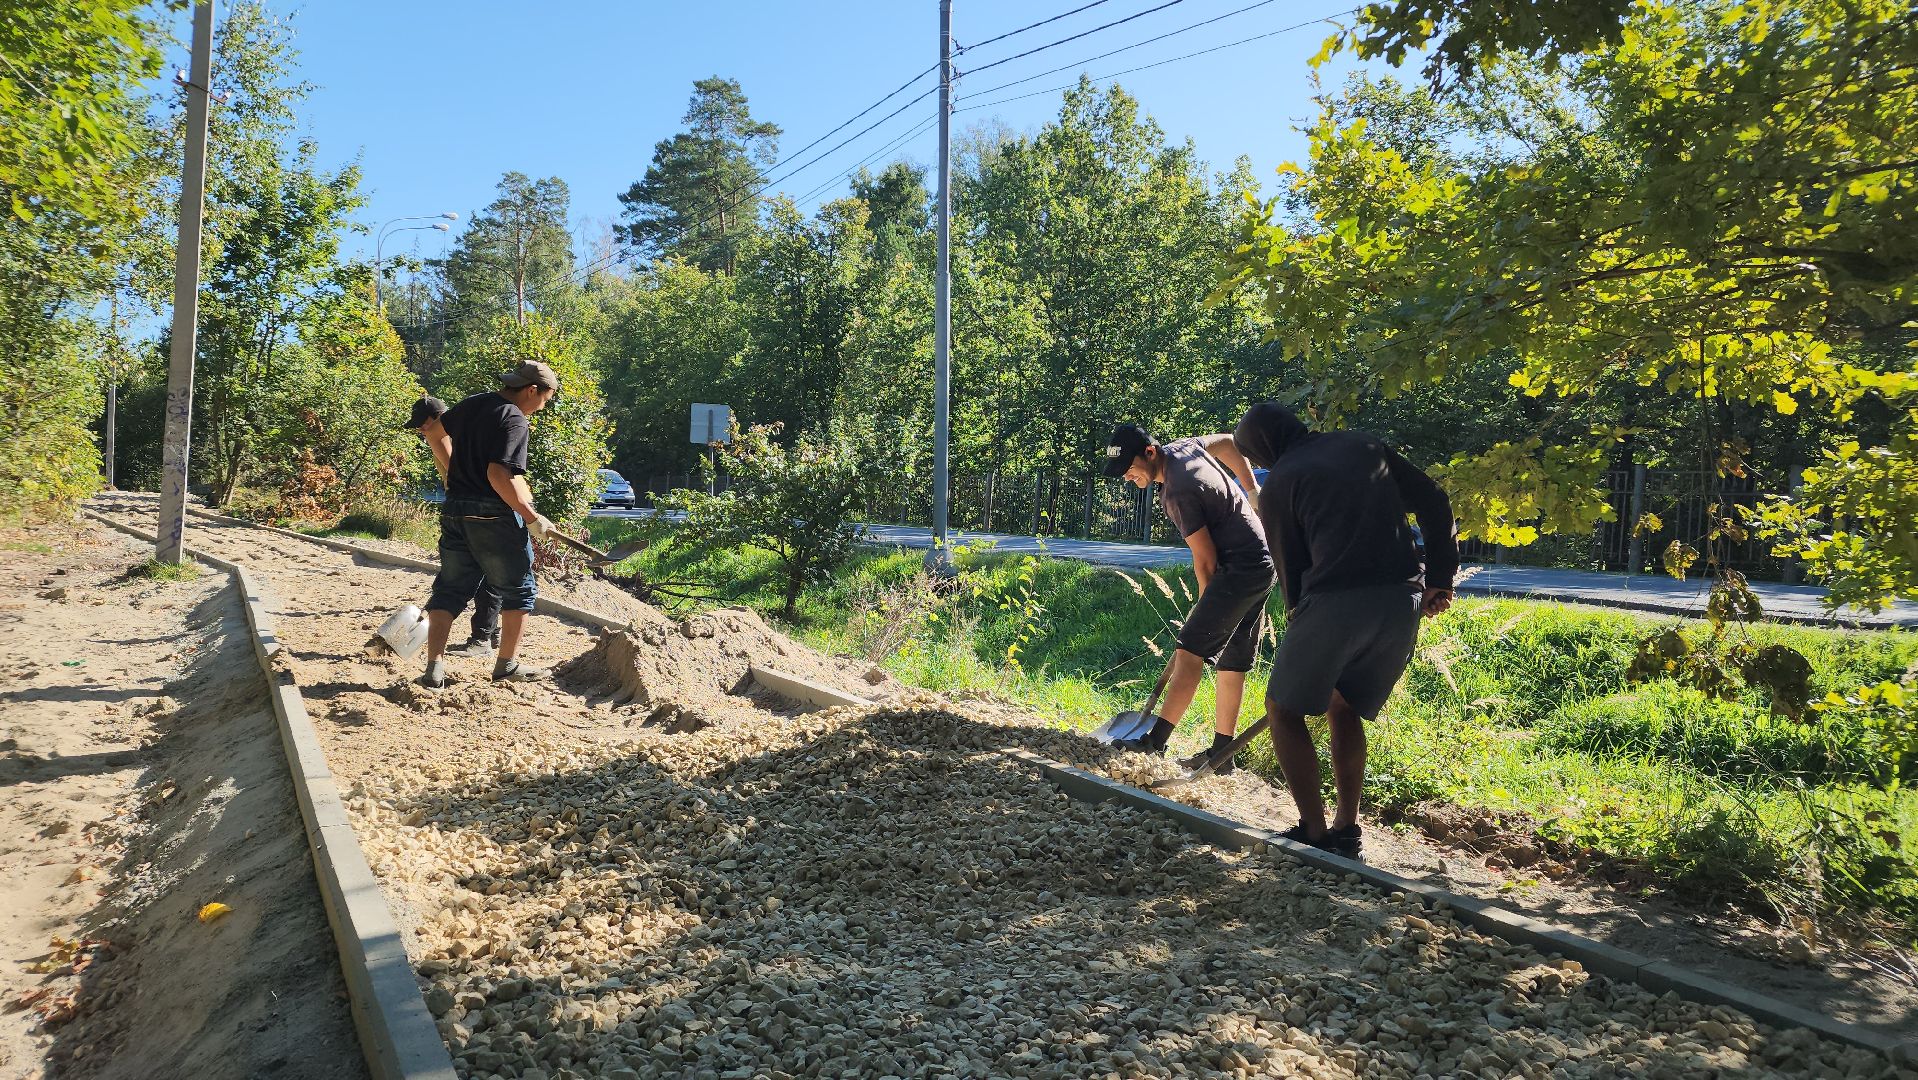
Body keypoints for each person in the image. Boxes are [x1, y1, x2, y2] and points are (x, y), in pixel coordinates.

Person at [1229, 403, 1458, 859]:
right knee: (1343, 703)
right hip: (1400, 600)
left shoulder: (1280, 485)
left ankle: (1313, 832)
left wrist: (1300, 619)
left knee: (1282, 707)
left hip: (1335, 602)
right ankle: (1347, 831)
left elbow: (1289, 567)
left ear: (1263, 449)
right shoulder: (1363, 446)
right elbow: (1434, 501)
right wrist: (1440, 578)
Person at [1102, 423, 1275, 771]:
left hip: (1238, 569)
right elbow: (1228, 442)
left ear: (1149, 453)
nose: (1127, 477)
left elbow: (1205, 559)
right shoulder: (1185, 447)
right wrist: (1251, 488)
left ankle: (1154, 742)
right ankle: (1222, 755)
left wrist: (1202, 609)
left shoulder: (1177, 492)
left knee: (1189, 651)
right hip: (1262, 562)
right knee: (1232, 660)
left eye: (1129, 469)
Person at [417, 361, 560, 688]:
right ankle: (506, 666)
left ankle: (434, 667)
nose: (541, 407)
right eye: (545, 400)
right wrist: (531, 517)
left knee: (450, 589)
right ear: (531, 390)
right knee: (520, 588)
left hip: (455, 509)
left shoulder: (473, 403)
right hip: (493, 515)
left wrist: (455, 472)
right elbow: (498, 476)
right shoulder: (514, 419)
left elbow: (434, 433)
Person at [403, 396, 502, 657]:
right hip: (465, 510)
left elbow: (459, 474)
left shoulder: (447, 437)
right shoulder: (444, 436)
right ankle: (489, 634)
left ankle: (484, 637)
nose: (420, 430)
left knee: (482, 576)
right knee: (480, 574)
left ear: (438, 417)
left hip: (476, 511)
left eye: (423, 424)